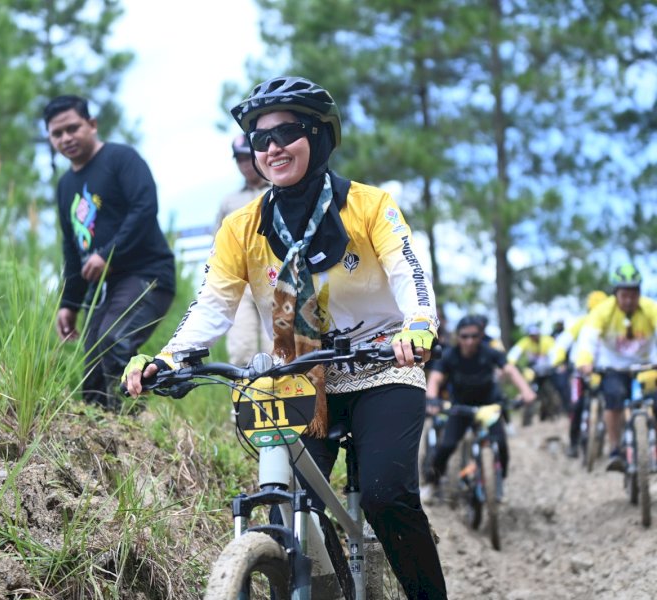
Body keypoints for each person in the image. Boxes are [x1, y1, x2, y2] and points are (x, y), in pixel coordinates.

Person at [125, 76, 447, 599]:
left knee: (388, 497)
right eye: (260, 139)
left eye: (287, 133)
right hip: (295, 373)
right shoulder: (240, 227)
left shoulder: (370, 205)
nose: (272, 148)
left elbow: (409, 273)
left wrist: (417, 325)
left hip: (381, 361)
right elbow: (212, 303)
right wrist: (168, 358)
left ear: (319, 137)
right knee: (289, 509)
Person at [44, 94, 176, 410]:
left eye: (72, 128)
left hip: (148, 275)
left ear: (91, 125)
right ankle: (99, 434)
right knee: (91, 361)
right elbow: (72, 247)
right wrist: (69, 303)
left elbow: (145, 209)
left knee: (112, 341)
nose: (66, 138)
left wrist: (107, 254)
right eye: (57, 133)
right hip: (110, 286)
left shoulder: (121, 159)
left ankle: (134, 427)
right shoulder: (65, 186)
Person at [421, 315, 536, 501]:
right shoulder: (449, 355)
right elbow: (435, 378)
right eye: (465, 336)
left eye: (474, 336)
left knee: (502, 445)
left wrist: (526, 391)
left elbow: (510, 370)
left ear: (481, 336)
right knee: (446, 447)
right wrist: (432, 399)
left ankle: (498, 482)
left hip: (489, 409)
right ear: (458, 337)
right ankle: (432, 482)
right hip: (460, 409)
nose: (469, 341)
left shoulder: (490, 353)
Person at [574, 264, 657, 471]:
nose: (629, 300)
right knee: (614, 399)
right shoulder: (603, 311)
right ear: (616, 294)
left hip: (646, 365)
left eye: (633, 294)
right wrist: (585, 361)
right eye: (624, 295)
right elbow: (588, 338)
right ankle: (615, 448)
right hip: (613, 367)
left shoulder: (650, 308)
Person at [214, 134, 272, 366]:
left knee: (280, 351)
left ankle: (286, 401)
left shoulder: (279, 190)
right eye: (239, 160)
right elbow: (217, 246)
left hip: (275, 279)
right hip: (242, 283)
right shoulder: (229, 202)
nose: (245, 165)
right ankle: (244, 401)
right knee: (241, 351)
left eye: (248, 158)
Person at [549, 290, 608, 457]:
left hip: (604, 370)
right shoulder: (581, 323)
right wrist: (557, 360)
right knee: (577, 405)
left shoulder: (611, 322)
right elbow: (563, 342)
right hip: (580, 370)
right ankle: (574, 443)